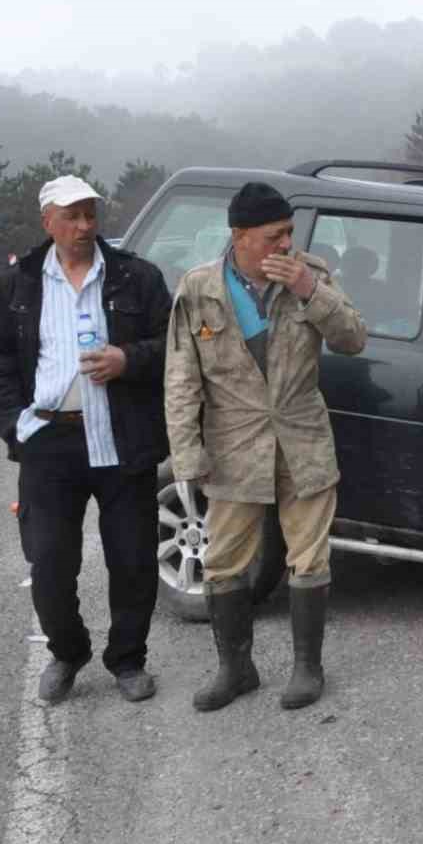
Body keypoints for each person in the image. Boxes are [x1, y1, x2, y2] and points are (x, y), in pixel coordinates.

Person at [165, 182, 366, 712]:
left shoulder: (310, 273)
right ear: (240, 237)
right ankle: (236, 668)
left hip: (302, 437)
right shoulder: (199, 289)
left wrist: (309, 290)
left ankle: (307, 668)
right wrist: (186, 454)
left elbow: (352, 338)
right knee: (224, 560)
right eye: (274, 236)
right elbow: (181, 378)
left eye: (289, 233)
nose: (285, 245)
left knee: (309, 556)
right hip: (233, 444)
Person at [0, 175, 172, 703]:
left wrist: (128, 359)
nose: (85, 225)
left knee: (132, 559)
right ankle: (67, 652)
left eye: (91, 214)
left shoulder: (137, 277)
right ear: (49, 222)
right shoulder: (19, 284)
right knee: (50, 562)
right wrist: (15, 425)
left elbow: (173, 347)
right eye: (73, 215)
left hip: (121, 437)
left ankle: (128, 660)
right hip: (50, 443)